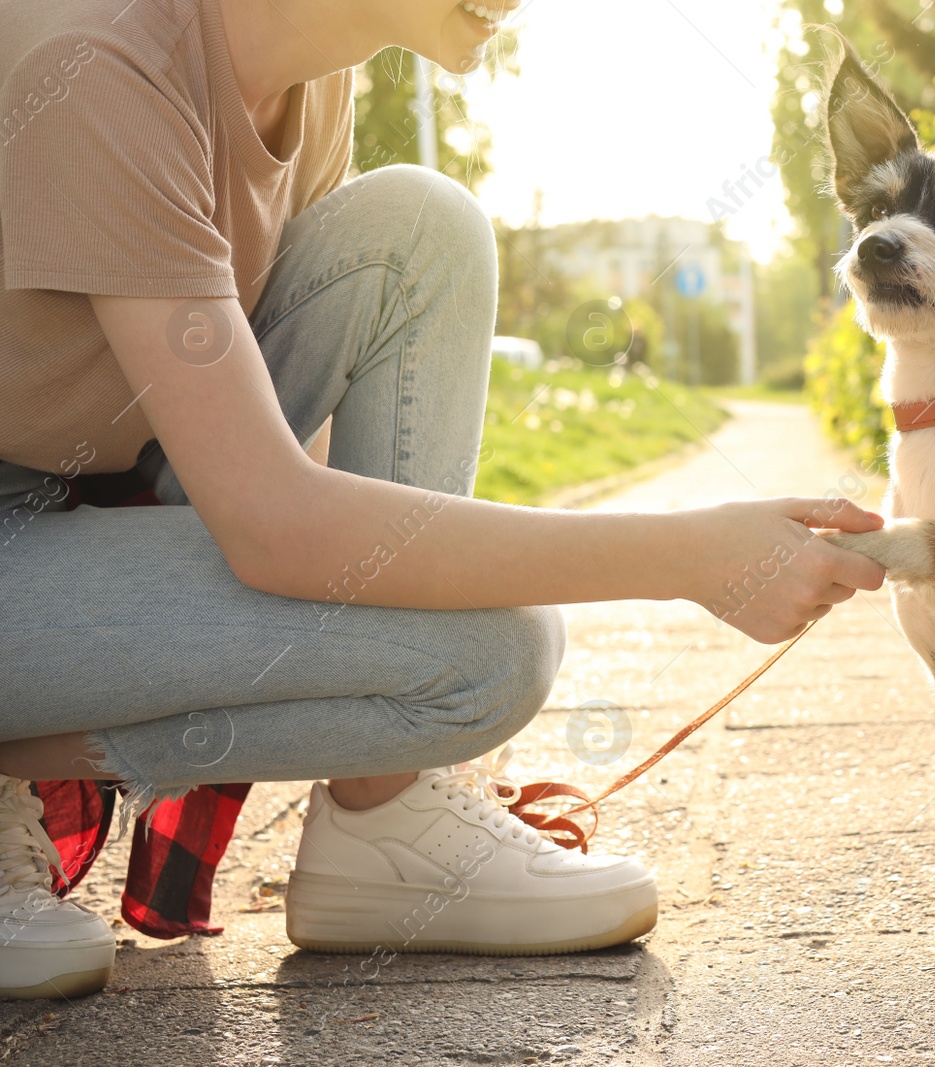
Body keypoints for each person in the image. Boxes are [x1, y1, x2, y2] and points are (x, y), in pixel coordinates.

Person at [0, 0, 886, 999]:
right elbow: (274, 523)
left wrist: (361, 698)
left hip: (92, 483)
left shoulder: (309, 69)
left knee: (420, 224)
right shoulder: (102, 55)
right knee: (484, 662)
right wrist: (688, 555)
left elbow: (291, 424)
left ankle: (387, 824)